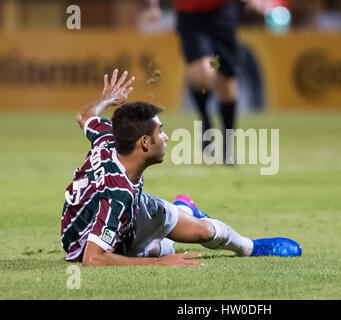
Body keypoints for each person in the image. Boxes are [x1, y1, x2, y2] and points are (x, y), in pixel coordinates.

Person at [60, 69, 301, 267]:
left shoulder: (108, 137)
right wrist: (161, 263)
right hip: (88, 242)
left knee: (204, 232)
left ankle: (251, 247)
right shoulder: (117, 196)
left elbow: (84, 115)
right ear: (144, 142)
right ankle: (181, 211)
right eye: (160, 132)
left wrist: (106, 99)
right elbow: (93, 259)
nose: (165, 137)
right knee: (162, 249)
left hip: (110, 215)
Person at [143, 0, 270, 163]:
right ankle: (206, 121)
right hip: (189, 15)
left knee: (227, 83)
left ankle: (228, 146)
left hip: (221, 12)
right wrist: (153, 5)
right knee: (202, 73)